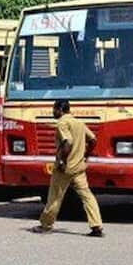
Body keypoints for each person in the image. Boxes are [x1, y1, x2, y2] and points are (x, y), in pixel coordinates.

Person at [32, 99, 104, 237]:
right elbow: (93, 140)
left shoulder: (62, 123)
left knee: (55, 196)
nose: (53, 112)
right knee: (87, 196)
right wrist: (85, 156)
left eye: (54, 109)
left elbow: (68, 142)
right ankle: (97, 226)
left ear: (59, 109)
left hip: (65, 168)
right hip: (79, 167)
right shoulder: (79, 123)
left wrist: (62, 161)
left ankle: (46, 225)